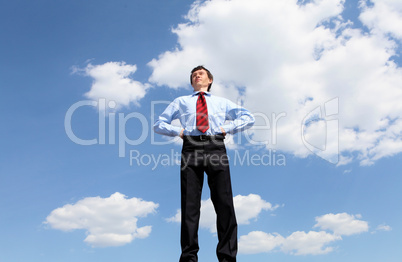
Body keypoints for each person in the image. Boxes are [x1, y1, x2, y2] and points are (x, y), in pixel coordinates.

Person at [153, 65, 255, 262]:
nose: (196, 76)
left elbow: (248, 118)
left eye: (200, 74)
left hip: (215, 145)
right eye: (193, 75)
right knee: (190, 205)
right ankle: (189, 258)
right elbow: (159, 124)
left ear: (210, 80)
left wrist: (227, 129)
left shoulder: (221, 102)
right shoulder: (181, 101)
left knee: (224, 203)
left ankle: (227, 258)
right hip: (190, 148)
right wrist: (179, 132)